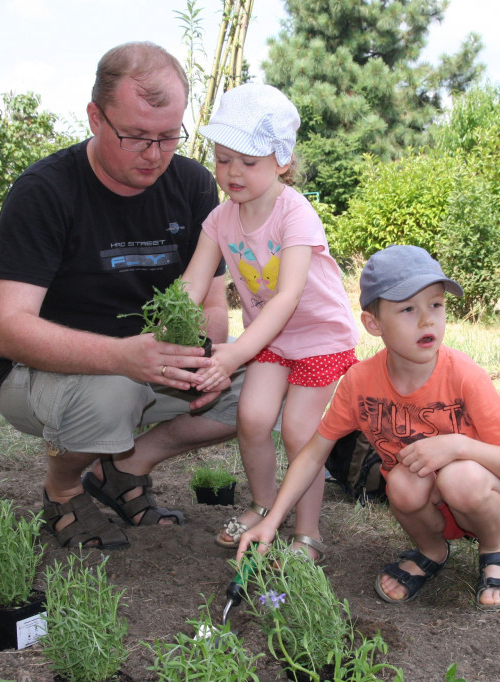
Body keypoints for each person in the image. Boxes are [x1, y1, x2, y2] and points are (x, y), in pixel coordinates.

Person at [0, 42, 240, 552]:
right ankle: (63, 490)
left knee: (265, 390)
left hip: (155, 364)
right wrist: (123, 357)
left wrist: (202, 357)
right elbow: (7, 328)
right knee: (114, 391)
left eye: (170, 137)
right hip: (41, 375)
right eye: (136, 137)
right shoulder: (45, 191)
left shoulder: (192, 186)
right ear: (95, 117)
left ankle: (123, 468)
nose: (154, 154)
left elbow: (213, 304)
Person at [239, 245, 500, 608]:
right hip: (429, 504)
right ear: (373, 324)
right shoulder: (360, 382)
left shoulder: (465, 375)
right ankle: (432, 551)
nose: (427, 320)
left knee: (460, 477)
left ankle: (494, 549)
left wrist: (458, 445)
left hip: (483, 496)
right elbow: (314, 453)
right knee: (400, 481)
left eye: (436, 305)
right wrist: (272, 519)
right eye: (408, 309)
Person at [181, 83, 359, 561]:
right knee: (253, 417)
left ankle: (307, 532)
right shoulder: (220, 219)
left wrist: (235, 352)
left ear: (282, 160)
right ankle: (262, 506)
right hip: (271, 342)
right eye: (222, 159)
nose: (232, 172)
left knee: (301, 431)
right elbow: (193, 284)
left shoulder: (296, 215)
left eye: (248, 161)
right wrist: (163, 326)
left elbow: (286, 299)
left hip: (318, 339)